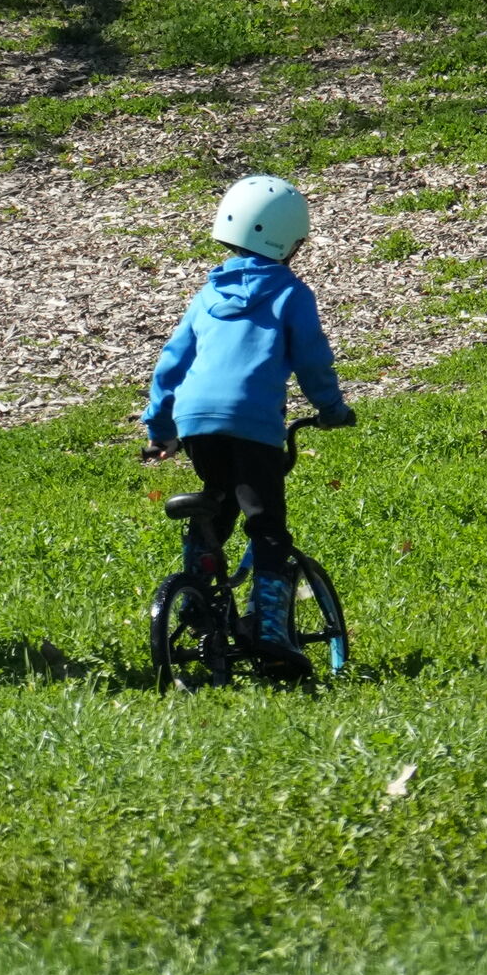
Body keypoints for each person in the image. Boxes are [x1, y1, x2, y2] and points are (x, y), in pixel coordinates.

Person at [139, 174, 354, 664]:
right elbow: (313, 361)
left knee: (217, 502)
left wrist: (161, 430)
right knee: (266, 523)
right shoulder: (291, 294)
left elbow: (170, 365)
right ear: (289, 240)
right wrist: (330, 409)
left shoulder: (206, 296)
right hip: (254, 424)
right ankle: (271, 629)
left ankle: (196, 592)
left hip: (196, 422)